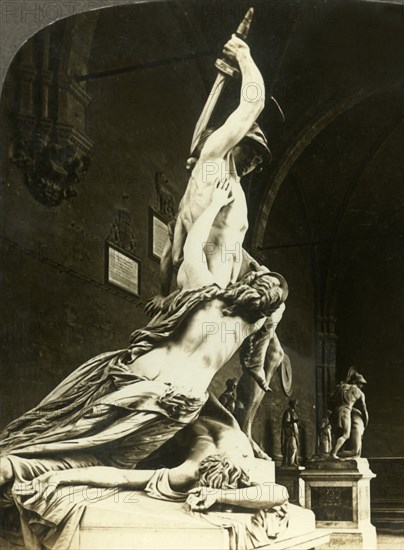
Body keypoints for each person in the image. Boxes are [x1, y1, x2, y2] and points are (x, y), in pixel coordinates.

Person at [0, 181, 288, 505]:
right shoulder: (250, 324)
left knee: (61, 431)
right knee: (103, 460)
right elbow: (271, 321)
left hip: (135, 373)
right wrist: (269, 287)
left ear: (247, 282)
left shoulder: (206, 292)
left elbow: (191, 250)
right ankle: (19, 470)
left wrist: (213, 205)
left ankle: (12, 463)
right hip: (177, 400)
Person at [11, 395, 289, 549]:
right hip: (190, 422)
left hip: (192, 418)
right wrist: (58, 477)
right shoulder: (195, 470)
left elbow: (119, 477)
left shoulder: (207, 463)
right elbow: (279, 493)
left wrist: (59, 477)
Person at [146, 33, 270, 312]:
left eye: (258, 160)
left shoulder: (227, 186)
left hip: (213, 294)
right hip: (207, 294)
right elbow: (254, 104)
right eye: (250, 152)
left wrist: (163, 293)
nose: (253, 163)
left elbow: (174, 244)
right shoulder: (213, 162)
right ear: (233, 142)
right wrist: (243, 54)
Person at [330, 367, 369, 460]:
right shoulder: (359, 393)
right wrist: (366, 420)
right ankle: (333, 454)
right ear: (357, 382)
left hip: (335, 411)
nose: (362, 386)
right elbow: (364, 409)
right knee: (346, 435)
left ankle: (334, 453)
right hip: (346, 411)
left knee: (337, 434)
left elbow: (330, 399)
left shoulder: (340, 387)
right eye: (361, 384)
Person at [281, 400, 300, 467]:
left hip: (295, 434)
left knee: (294, 448)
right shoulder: (288, 412)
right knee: (292, 448)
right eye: (295, 404)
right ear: (291, 404)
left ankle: (293, 461)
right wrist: (293, 421)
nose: (296, 406)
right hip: (290, 434)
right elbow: (286, 423)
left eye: (296, 404)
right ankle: (290, 462)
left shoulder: (294, 412)